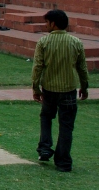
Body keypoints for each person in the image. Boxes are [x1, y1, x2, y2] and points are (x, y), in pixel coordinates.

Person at [32, 9, 89, 172]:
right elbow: (82, 68)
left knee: (46, 117)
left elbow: (38, 67)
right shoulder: (76, 42)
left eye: (47, 22)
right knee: (66, 126)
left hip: (49, 88)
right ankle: (63, 161)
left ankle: (44, 148)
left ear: (53, 24)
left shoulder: (44, 42)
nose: (45, 25)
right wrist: (84, 87)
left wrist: (35, 87)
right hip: (69, 89)